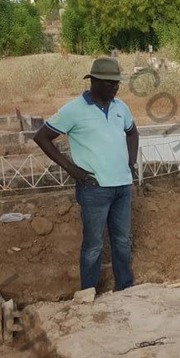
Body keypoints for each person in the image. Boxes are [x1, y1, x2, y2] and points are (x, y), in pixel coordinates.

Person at [33, 57, 139, 292]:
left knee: (122, 241)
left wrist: (131, 163)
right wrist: (72, 169)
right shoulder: (74, 110)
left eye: (117, 84)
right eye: (111, 84)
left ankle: (125, 287)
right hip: (94, 188)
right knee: (93, 245)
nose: (116, 88)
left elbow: (132, 133)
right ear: (96, 82)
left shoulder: (121, 107)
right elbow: (42, 137)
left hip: (122, 186)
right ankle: (89, 293)